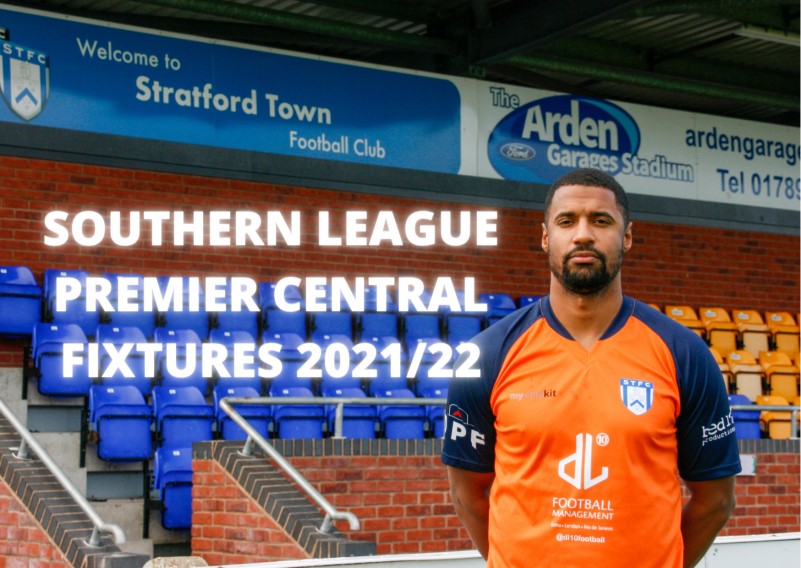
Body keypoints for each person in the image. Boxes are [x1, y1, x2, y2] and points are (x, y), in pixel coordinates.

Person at [441, 168, 740, 568]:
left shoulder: (684, 353)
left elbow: (715, 500)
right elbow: (466, 495)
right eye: (567, 221)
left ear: (627, 237)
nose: (583, 234)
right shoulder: (488, 354)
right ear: (546, 237)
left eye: (601, 220)